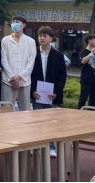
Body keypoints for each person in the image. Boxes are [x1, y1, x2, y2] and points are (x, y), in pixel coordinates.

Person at [30, 26, 67, 158]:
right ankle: (38, 145)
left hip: (52, 95)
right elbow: (30, 74)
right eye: (40, 35)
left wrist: (57, 92)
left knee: (51, 121)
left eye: (45, 36)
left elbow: (62, 75)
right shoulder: (33, 53)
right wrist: (32, 90)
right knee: (38, 121)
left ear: (51, 39)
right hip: (37, 93)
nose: (42, 38)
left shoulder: (58, 55)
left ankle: (51, 147)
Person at [0, 15, 36, 112]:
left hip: (24, 81)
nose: (14, 24)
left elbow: (31, 62)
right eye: (13, 22)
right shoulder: (5, 40)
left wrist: (20, 76)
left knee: (25, 110)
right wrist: (12, 77)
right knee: (6, 110)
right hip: (8, 81)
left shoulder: (31, 41)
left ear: (24, 25)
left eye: (17, 22)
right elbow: (3, 59)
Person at [78, 34, 95, 109]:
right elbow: (83, 61)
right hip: (86, 79)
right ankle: (79, 112)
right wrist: (91, 53)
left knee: (93, 99)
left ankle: (90, 112)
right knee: (83, 98)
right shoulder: (84, 51)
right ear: (89, 41)